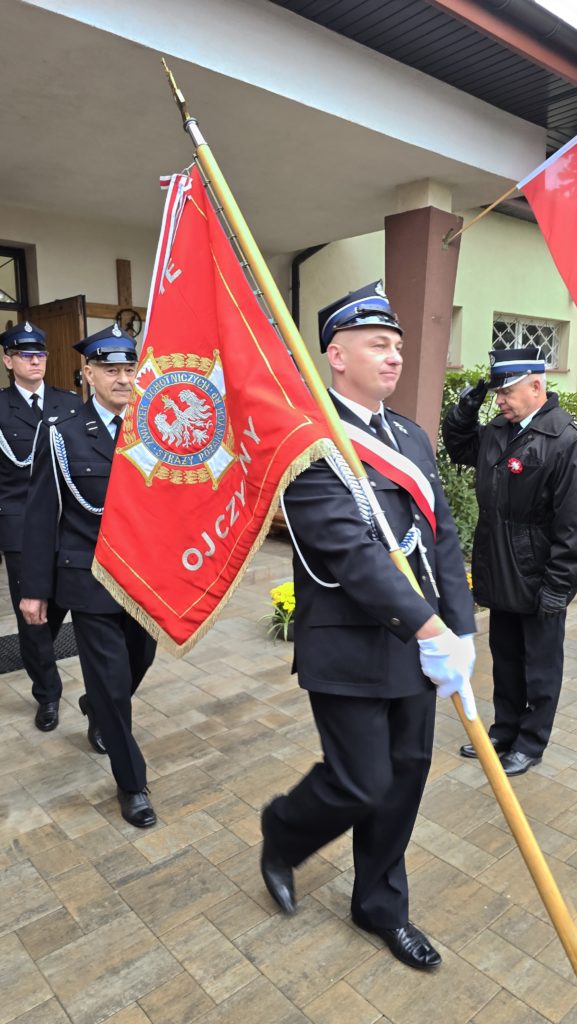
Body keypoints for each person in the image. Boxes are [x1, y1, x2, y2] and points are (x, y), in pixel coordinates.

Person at [260, 281, 476, 970]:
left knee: (405, 777)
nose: (393, 358)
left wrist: (460, 625)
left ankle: (378, 905)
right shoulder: (310, 441)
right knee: (358, 782)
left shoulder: (408, 434)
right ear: (334, 354)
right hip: (350, 645)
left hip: (415, 644)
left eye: (398, 347)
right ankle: (283, 829)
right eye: (377, 345)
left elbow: (439, 534)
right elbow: (347, 553)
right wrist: (428, 629)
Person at [19, 324, 157, 828]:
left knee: (141, 658)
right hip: (90, 578)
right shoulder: (61, 432)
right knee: (112, 680)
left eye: (129, 369)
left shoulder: (154, 427)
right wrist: (35, 589)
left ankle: (96, 704)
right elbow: (40, 515)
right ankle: (132, 784)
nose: (123, 379)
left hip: (143, 579)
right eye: (112, 370)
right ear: (88, 373)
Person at [442, 346, 577, 776]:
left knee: (540, 666)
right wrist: (470, 402)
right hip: (499, 569)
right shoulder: (499, 429)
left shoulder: (565, 440)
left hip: (539, 578)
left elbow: (571, 525)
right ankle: (505, 729)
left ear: (536, 386)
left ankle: (531, 741)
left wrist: (559, 587)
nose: (500, 400)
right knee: (506, 657)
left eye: (506, 391)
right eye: (497, 392)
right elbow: (458, 445)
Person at [0, 320, 83, 731]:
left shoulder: (69, 405)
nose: (35, 360)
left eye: (41, 354)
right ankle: (47, 695)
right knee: (31, 616)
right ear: (7, 360)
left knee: (69, 606)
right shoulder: (0, 409)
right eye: (25, 354)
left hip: (69, 525)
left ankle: (97, 685)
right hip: (19, 527)